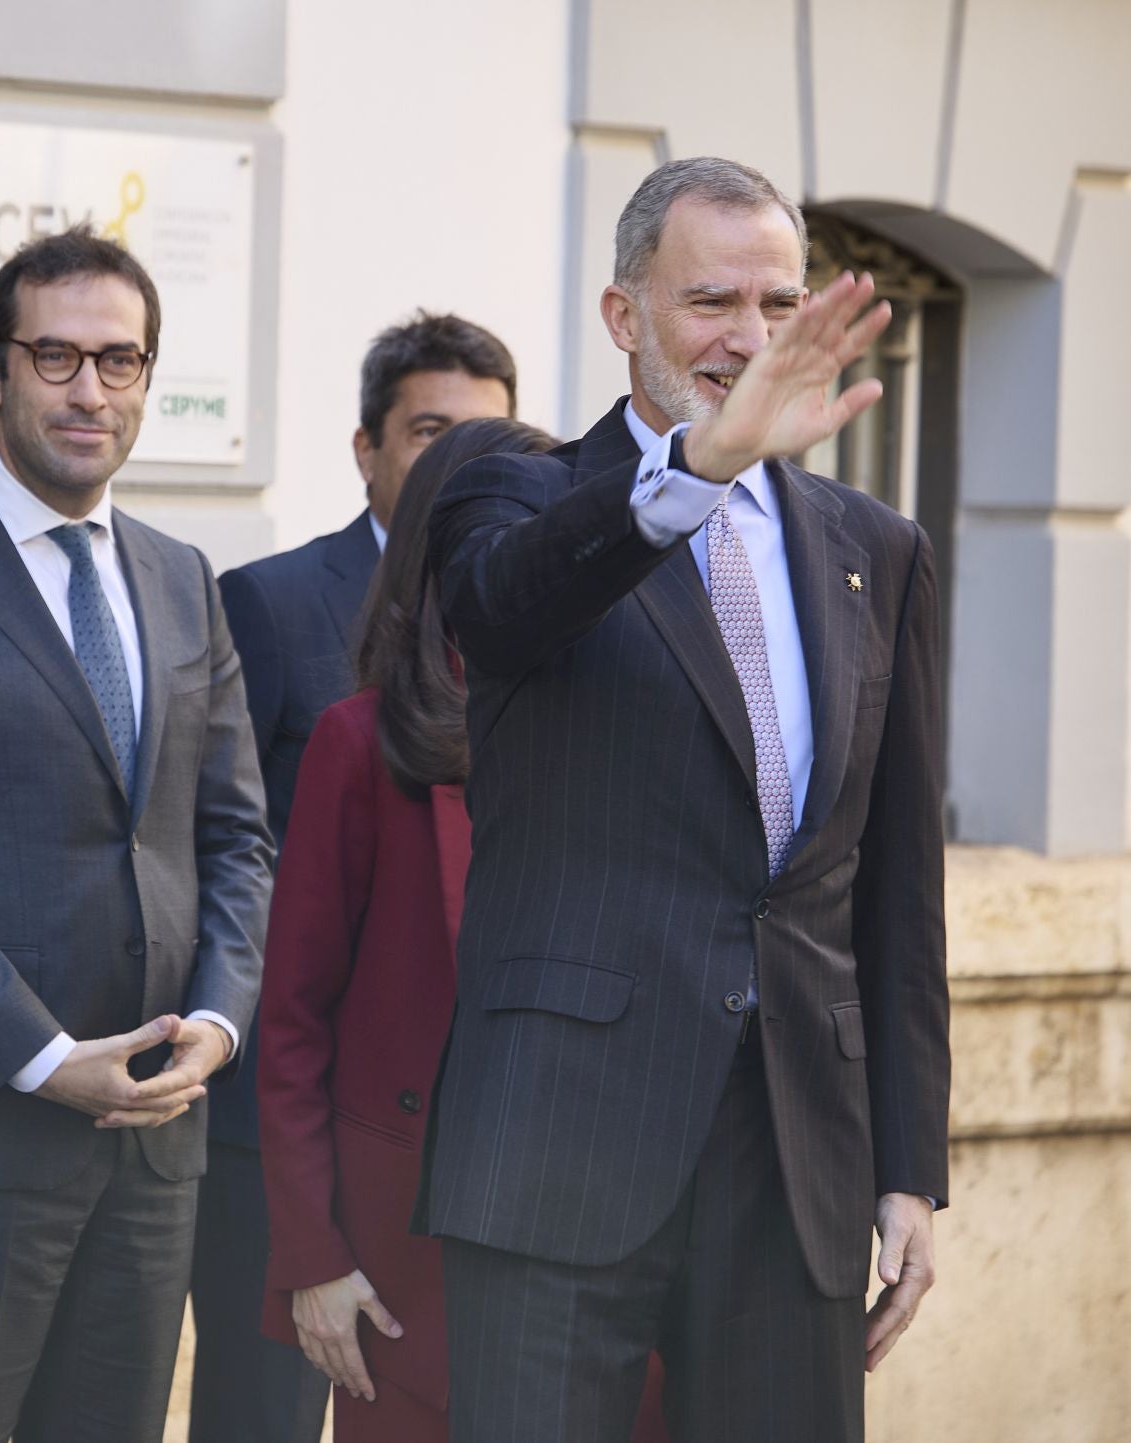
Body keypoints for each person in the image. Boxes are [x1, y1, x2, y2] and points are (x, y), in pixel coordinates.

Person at [422, 156, 949, 1442]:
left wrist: (908, 1168)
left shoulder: (874, 549)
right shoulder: (518, 491)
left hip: (795, 1161)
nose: (752, 339)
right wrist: (699, 467)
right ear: (623, 318)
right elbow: (502, 611)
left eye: (781, 304)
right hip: (559, 1147)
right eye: (714, 302)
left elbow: (895, 886)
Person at [0, 227, 272, 1443]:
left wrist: (219, 1029)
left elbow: (235, 838)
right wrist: (41, 1054)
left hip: (158, 1144)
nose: (91, 392)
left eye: (120, 362)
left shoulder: (185, 578)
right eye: (58, 357)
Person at [194, 312, 518, 1443]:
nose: (457, 472)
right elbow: (242, 850)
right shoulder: (278, 611)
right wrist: (311, 1235)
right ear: (369, 445)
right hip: (332, 1137)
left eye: (486, 443)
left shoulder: (576, 695)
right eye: (428, 433)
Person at [257, 416, 555, 1442]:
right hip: (401, 1274)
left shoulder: (619, 735)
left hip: (596, 1266)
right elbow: (293, 1024)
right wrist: (314, 1260)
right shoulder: (359, 743)